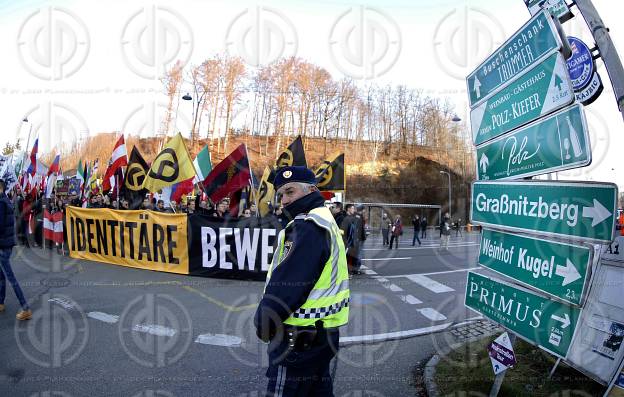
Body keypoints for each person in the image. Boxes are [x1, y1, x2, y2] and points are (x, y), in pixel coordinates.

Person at [254, 166, 349, 396]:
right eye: (281, 195)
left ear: (312, 190)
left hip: (297, 340)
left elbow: (288, 285)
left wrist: (264, 322)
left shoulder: (307, 226)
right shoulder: (325, 221)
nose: (284, 200)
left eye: (290, 192)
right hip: (322, 335)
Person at [0, 179, 32, 321]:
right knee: (1, 275)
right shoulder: (5, 200)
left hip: (2, 245)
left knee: (10, 277)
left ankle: (26, 308)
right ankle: (1, 301)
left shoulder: (1, 202)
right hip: (5, 244)